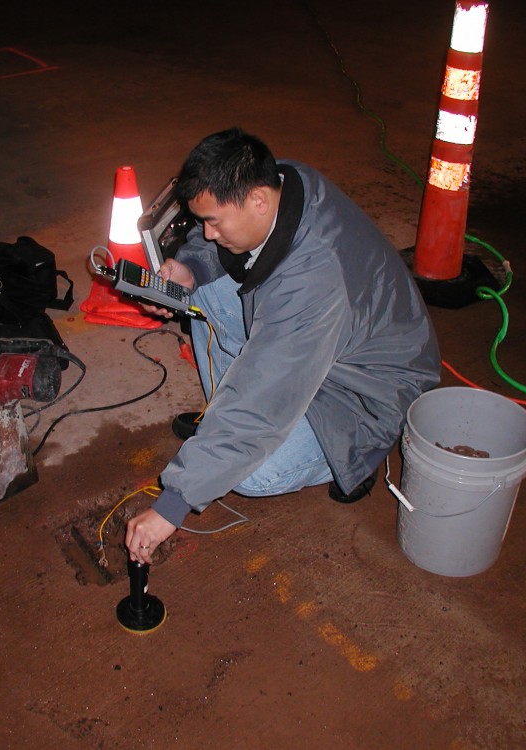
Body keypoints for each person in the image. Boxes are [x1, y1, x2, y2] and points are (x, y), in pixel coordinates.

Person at [125, 128, 440, 564]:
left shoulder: (313, 279)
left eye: (214, 221)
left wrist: (173, 503)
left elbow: (264, 394)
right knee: (198, 289)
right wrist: (191, 265)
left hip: (367, 394)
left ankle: (350, 459)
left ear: (257, 200)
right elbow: (216, 249)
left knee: (256, 472)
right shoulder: (283, 182)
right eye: (203, 221)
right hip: (327, 344)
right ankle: (222, 429)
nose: (208, 233)